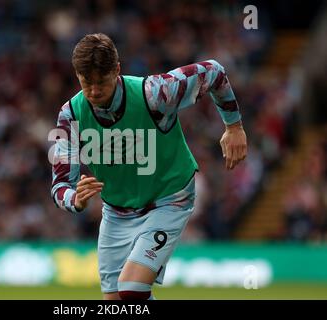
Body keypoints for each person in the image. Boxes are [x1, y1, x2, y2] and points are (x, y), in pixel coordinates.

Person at [50, 33, 247, 300]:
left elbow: (214, 71)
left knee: (131, 289)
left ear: (117, 70)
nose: (94, 92)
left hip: (168, 199)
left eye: (101, 82)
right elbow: (59, 185)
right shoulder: (70, 115)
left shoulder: (155, 93)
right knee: (116, 302)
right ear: (77, 76)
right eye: (87, 83)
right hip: (116, 212)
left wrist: (233, 126)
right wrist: (75, 199)